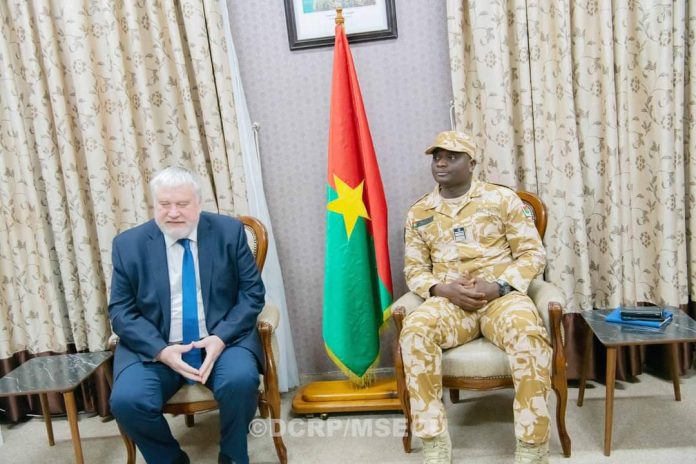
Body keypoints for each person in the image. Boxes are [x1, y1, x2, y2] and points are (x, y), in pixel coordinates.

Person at [401, 131, 552, 464]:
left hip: (502, 298)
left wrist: (498, 286)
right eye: (436, 157)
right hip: (450, 302)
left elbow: (532, 254)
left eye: (451, 157)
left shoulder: (502, 199)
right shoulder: (420, 212)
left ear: (471, 164)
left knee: (529, 334)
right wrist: (442, 289)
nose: (441, 163)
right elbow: (414, 270)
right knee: (415, 330)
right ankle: (434, 440)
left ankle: (532, 446)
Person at [109, 166, 264, 464]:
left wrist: (221, 337)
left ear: (199, 203)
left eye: (182, 204)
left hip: (220, 341)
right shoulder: (128, 245)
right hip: (158, 347)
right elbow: (121, 311)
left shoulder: (229, 233)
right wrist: (161, 350)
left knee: (241, 381)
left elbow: (252, 293)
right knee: (127, 401)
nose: (173, 213)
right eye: (164, 204)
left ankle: (232, 455)